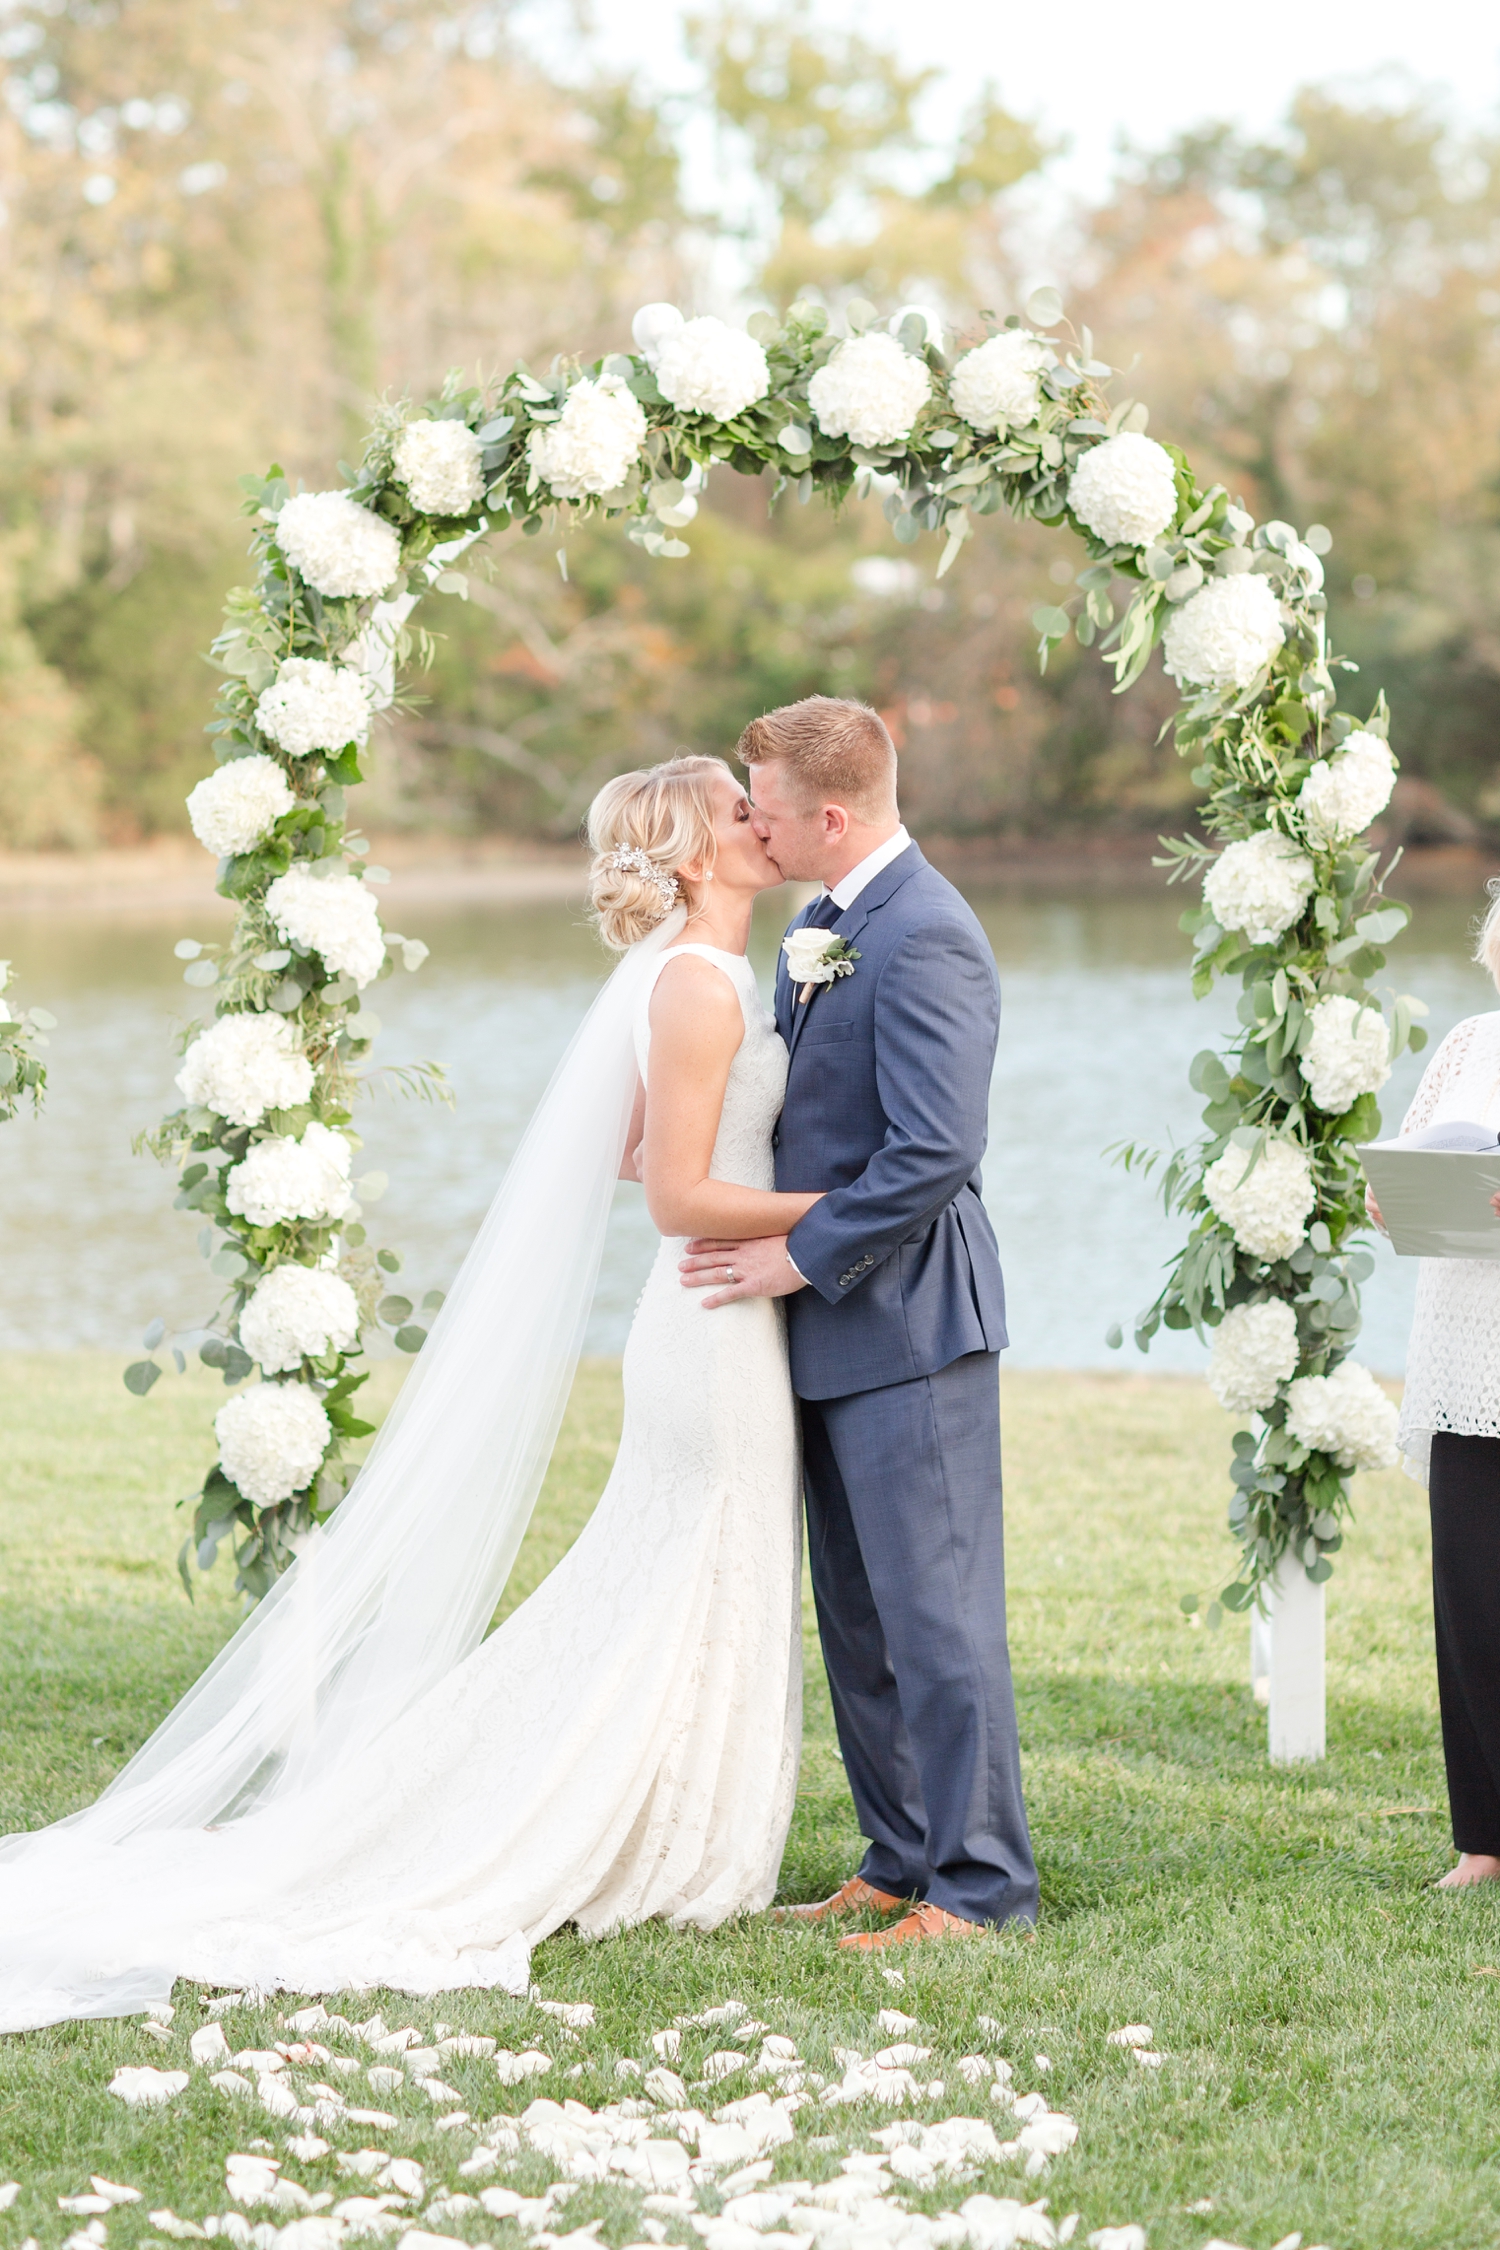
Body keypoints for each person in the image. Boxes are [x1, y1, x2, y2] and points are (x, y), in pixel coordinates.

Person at [0, 754, 818, 2030]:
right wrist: (849, 1208)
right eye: (735, 809)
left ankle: (671, 1819)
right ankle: (654, 1833)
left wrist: (743, 1179)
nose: (759, 820)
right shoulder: (701, 989)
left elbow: (630, 1145)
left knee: (680, 1566)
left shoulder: (688, 980)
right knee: (696, 1560)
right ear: (697, 856)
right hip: (714, 1321)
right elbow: (669, 1195)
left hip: (713, 1312)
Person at [679, 695, 1038, 1949]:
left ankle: (982, 1889)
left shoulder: (927, 931)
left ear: (829, 815)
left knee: (938, 1619)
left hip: (908, 1323)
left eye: (763, 808)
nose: (751, 826)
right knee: (863, 1617)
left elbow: (937, 1149)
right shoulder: (822, 926)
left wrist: (795, 1257)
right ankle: (897, 1857)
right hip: (832, 1333)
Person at [1370, 882, 1500, 1889]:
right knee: (1471, 1592)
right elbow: (1403, 1166)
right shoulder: (1470, 1043)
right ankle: (1484, 1840)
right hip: (1465, 1348)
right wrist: (1393, 1193)